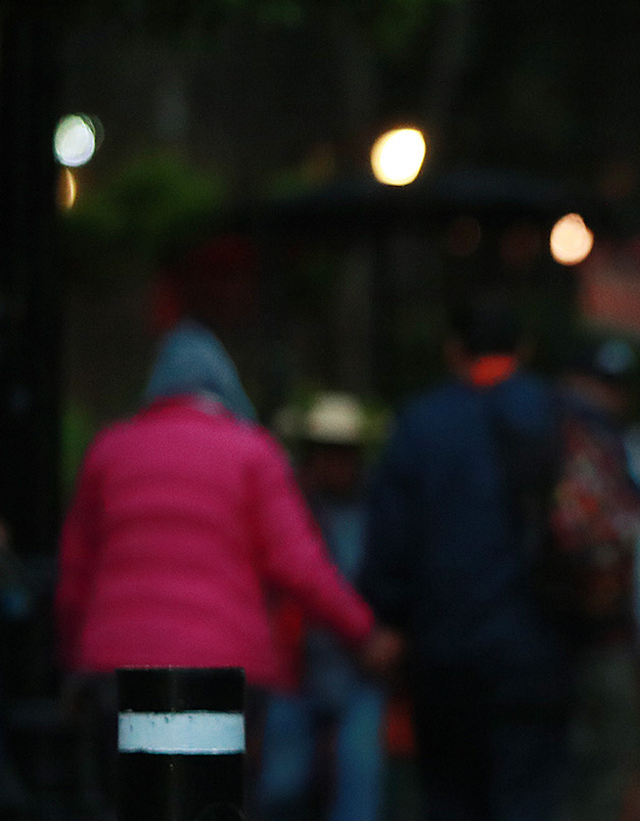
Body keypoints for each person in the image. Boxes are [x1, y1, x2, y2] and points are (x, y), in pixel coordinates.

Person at [360, 297, 571, 821]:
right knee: (521, 804)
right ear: (526, 344)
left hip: (443, 649)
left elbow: (387, 541)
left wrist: (389, 615)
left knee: (449, 801)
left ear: (455, 350)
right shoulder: (557, 415)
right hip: (535, 646)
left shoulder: (419, 425)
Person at [57, 320, 396, 750]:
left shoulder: (109, 450)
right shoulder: (253, 452)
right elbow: (301, 566)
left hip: (115, 665)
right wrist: (363, 634)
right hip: (224, 667)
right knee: (216, 805)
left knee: (131, 803)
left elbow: (74, 576)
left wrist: (73, 660)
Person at [550, 337, 640, 821]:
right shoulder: (565, 438)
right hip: (560, 629)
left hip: (607, 629)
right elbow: (583, 526)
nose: (608, 398)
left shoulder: (618, 443)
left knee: (606, 753)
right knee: (576, 753)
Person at [257, 394, 389, 821]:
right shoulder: (290, 508)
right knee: (282, 782)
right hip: (299, 663)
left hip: (358, 668)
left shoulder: (378, 510)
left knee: (360, 775)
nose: (337, 463)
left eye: (346, 452)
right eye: (326, 452)